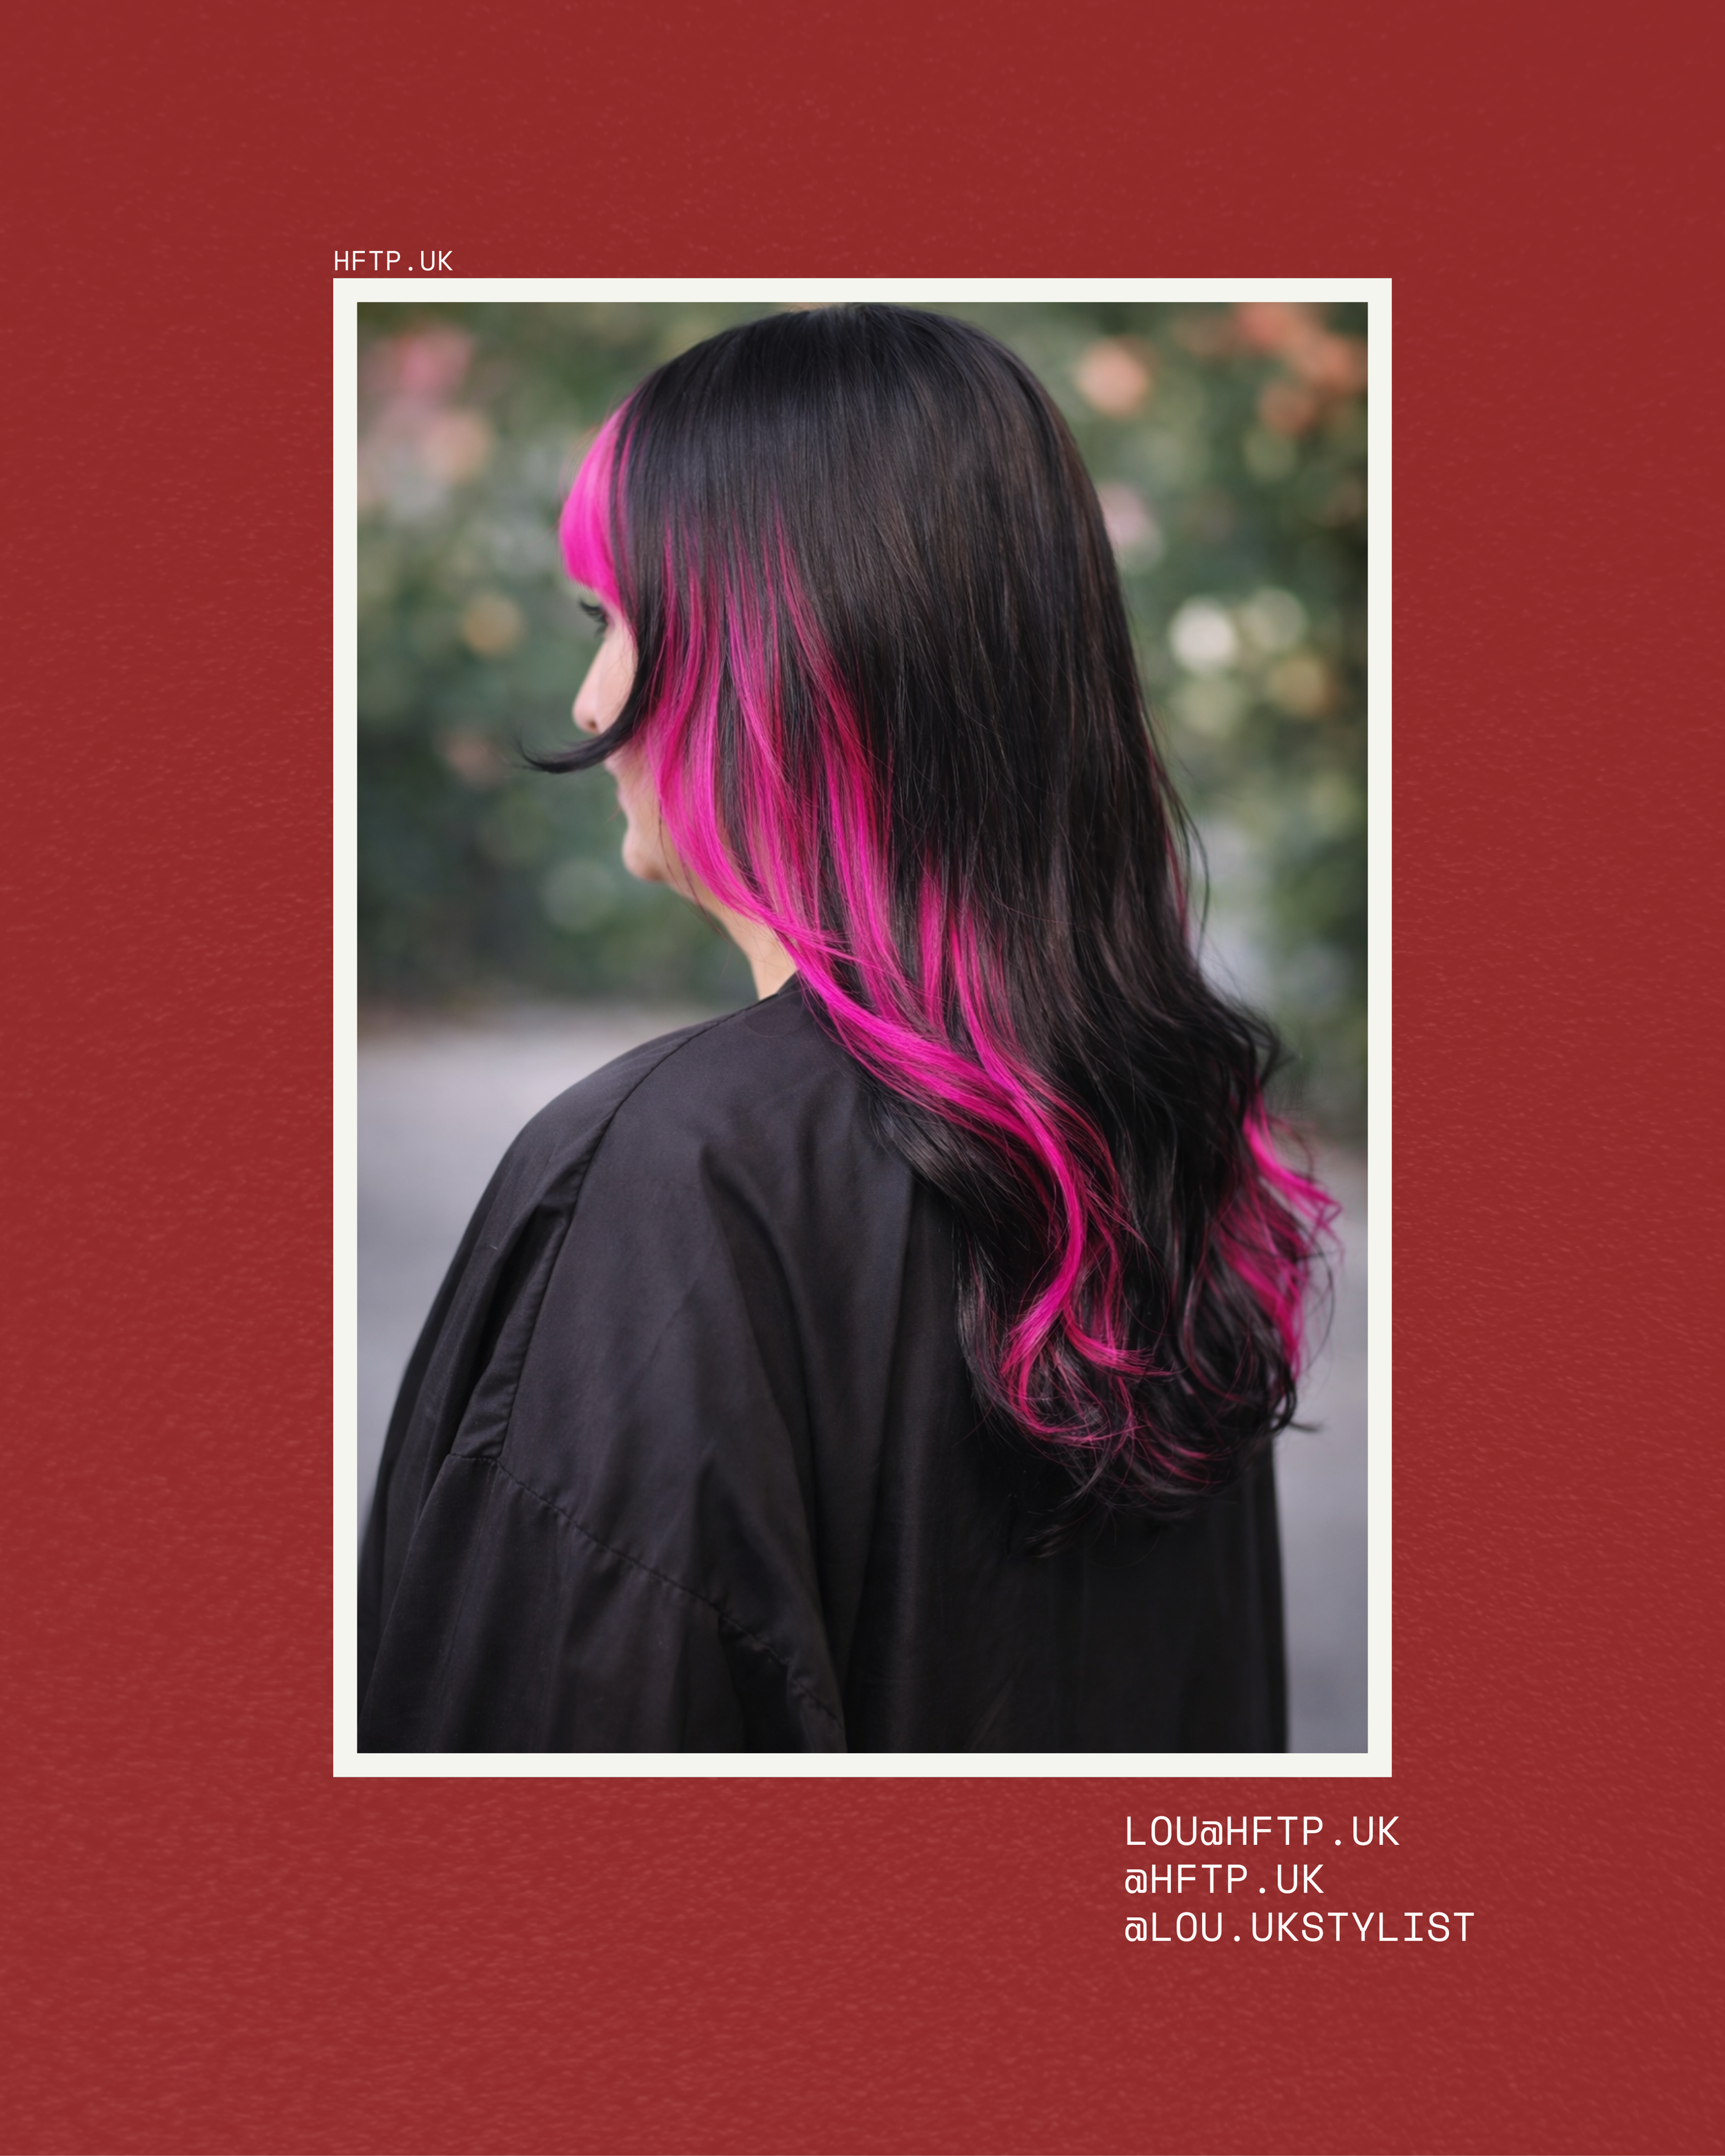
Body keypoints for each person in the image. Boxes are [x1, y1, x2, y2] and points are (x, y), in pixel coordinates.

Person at [358, 305, 1332, 1752]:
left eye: (616, 622)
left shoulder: (674, 1175)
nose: (586, 698)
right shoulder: (1157, 1145)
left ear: (776, 658)